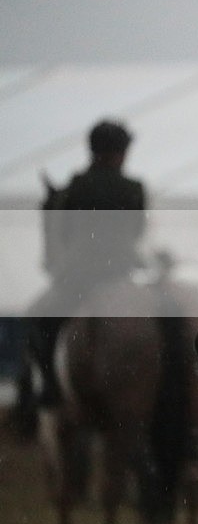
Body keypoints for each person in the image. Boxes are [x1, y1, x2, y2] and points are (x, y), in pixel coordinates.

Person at [27, 119, 147, 406]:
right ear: (120, 152)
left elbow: (64, 233)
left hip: (80, 278)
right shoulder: (133, 187)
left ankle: (48, 387)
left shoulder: (75, 188)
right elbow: (137, 230)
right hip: (122, 273)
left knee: (38, 319)